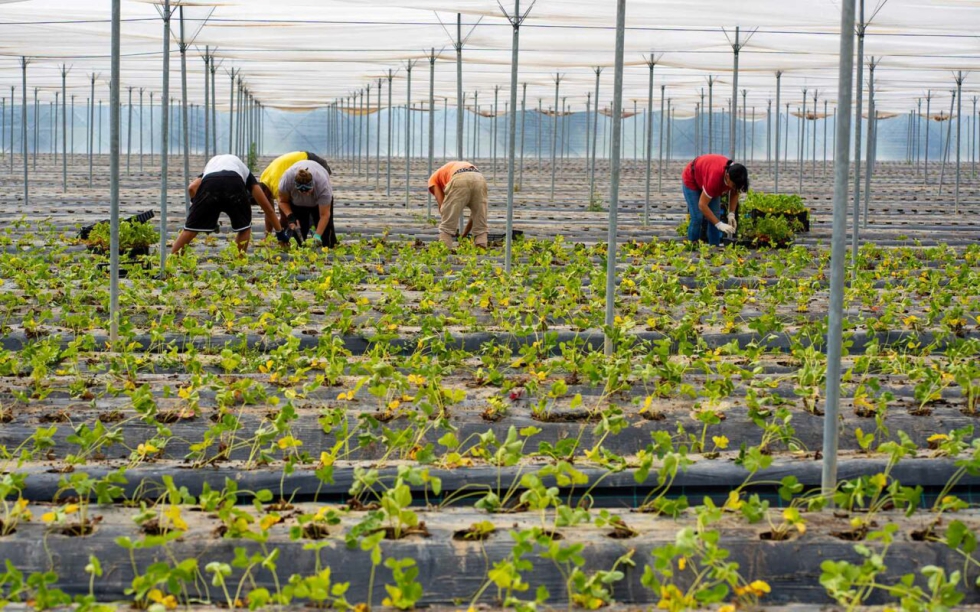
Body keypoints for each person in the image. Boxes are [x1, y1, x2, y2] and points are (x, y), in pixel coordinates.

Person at [172, 154, 288, 254]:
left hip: (210, 184)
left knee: (190, 229)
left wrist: (199, 208)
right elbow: (268, 208)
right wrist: (279, 232)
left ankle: (170, 263)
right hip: (235, 183)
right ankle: (239, 261)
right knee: (244, 228)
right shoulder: (245, 171)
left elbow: (192, 188)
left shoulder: (210, 168)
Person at [681, 154, 750, 246]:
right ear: (727, 176)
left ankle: (714, 247)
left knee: (715, 216)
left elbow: (734, 192)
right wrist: (719, 224)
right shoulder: (715, 178)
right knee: (697, 217)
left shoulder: (736, 174)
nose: (734, 188)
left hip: (707, 177)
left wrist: (731, 213)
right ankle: (692, 245)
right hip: (692, 178)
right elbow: (702, 205)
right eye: (733, 185)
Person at [259, 151, 334, 235]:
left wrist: (280, 232)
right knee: (299, 209)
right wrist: (267, 235)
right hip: (297, 165)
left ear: (265, 193)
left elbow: (284, 215)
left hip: (312, 161)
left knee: (318, 204)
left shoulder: (276, 185)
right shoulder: (262, 182)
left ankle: (317, 232)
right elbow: (268, 210)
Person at [277, 159, 337, 248]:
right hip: (297, 204)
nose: (306, 194)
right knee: (298, 239)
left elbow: (324, 215)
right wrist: (290, 216)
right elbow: (282, 201)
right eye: (301, 191)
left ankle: (327, 244)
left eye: (308, 190)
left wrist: (317, 235)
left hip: (318, 204)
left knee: (326, 240)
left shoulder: (322, 185)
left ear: (313, 185)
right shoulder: (287, 180)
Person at [428, 161, 488, 248]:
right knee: (480, 216)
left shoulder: (433, 180)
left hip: (459, 178)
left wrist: (450, 226)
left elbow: (442, 207)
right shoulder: (449, 169)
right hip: (479, 178)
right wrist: (464, 235)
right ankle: (481, 245)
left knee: (447, 225)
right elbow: (475, 215)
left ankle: (445, 246)